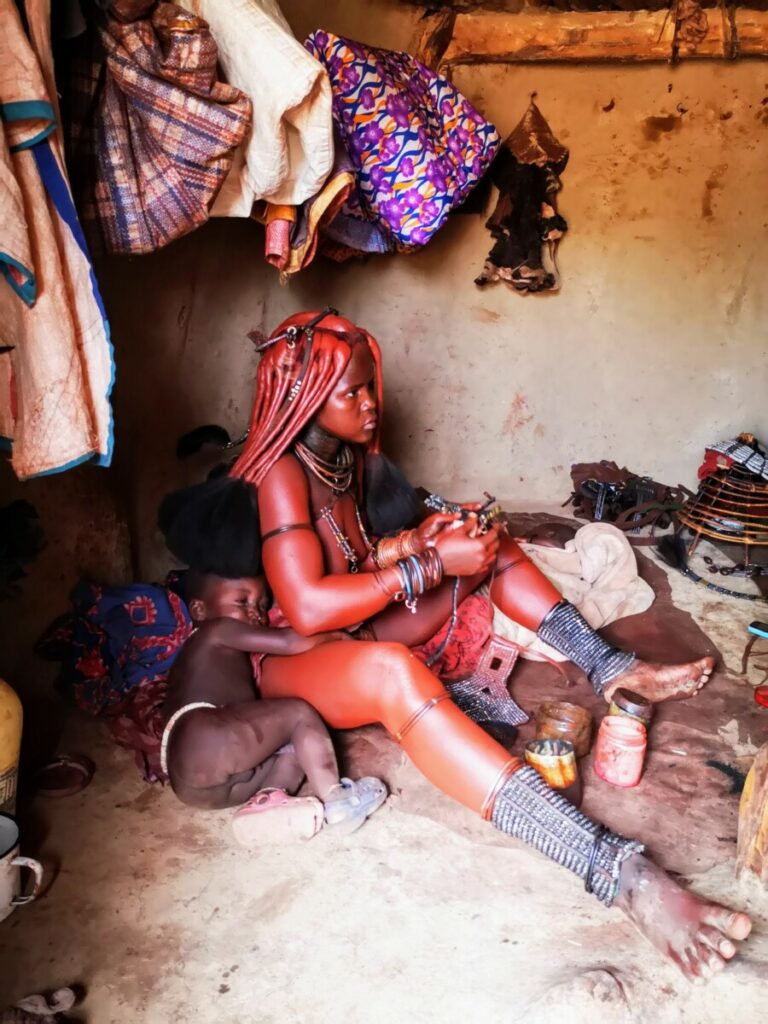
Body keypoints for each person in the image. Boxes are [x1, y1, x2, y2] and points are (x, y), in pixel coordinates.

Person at [174, 308, 746, 981]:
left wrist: (428, 541)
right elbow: (305, 605)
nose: (369, 404)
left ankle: (611, 666)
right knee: (391, 674)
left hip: (355, 620)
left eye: (368, 388)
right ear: (304, 402)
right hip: (295, 658)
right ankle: (616, 873)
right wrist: (426, 566)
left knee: (492, 550)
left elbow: (356, 555)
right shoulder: (281, 475)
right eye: (350, 394)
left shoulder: (343, 459)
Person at [161, 556, 388, 845]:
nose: (256, 614)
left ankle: (266, 801)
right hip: (205, 737)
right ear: (199, 609)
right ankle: (337, 800)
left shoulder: (196, 657)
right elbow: (288, 642)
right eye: (242, 602)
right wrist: (337, 634)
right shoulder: (216, 629)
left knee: (294, 749)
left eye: (262, 605)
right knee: (298, 714)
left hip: (191, 785)